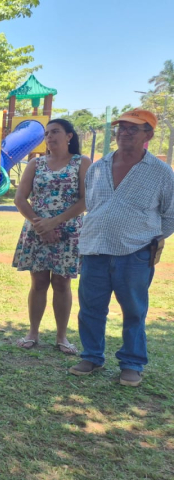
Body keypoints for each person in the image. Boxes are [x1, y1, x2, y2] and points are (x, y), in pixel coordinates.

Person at [69, 109, 174, 387]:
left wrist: (146, 237)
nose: (125, 132)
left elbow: (170, 214)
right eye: (122, 128)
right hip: (95, 249)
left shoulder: (162, 173)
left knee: (134, 310)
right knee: (91, 308)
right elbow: (92, 205)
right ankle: (91, 356)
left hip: (136, 253)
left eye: (133, 128)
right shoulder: (98, 167)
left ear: (148, 135)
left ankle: (132, 363)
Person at [12, 119, 90, 355]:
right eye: (46, 134)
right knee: (38, 283)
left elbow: (86, 200)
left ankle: (61, 337)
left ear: (69, 136)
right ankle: (32, 333)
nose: (49, 137)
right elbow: (20, 199)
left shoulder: (81, 162)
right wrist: (41, 226)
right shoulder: (36, 164)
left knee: (61, 283)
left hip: (67, 233)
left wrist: (54, 223)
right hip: (37, 231)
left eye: (55, 132)